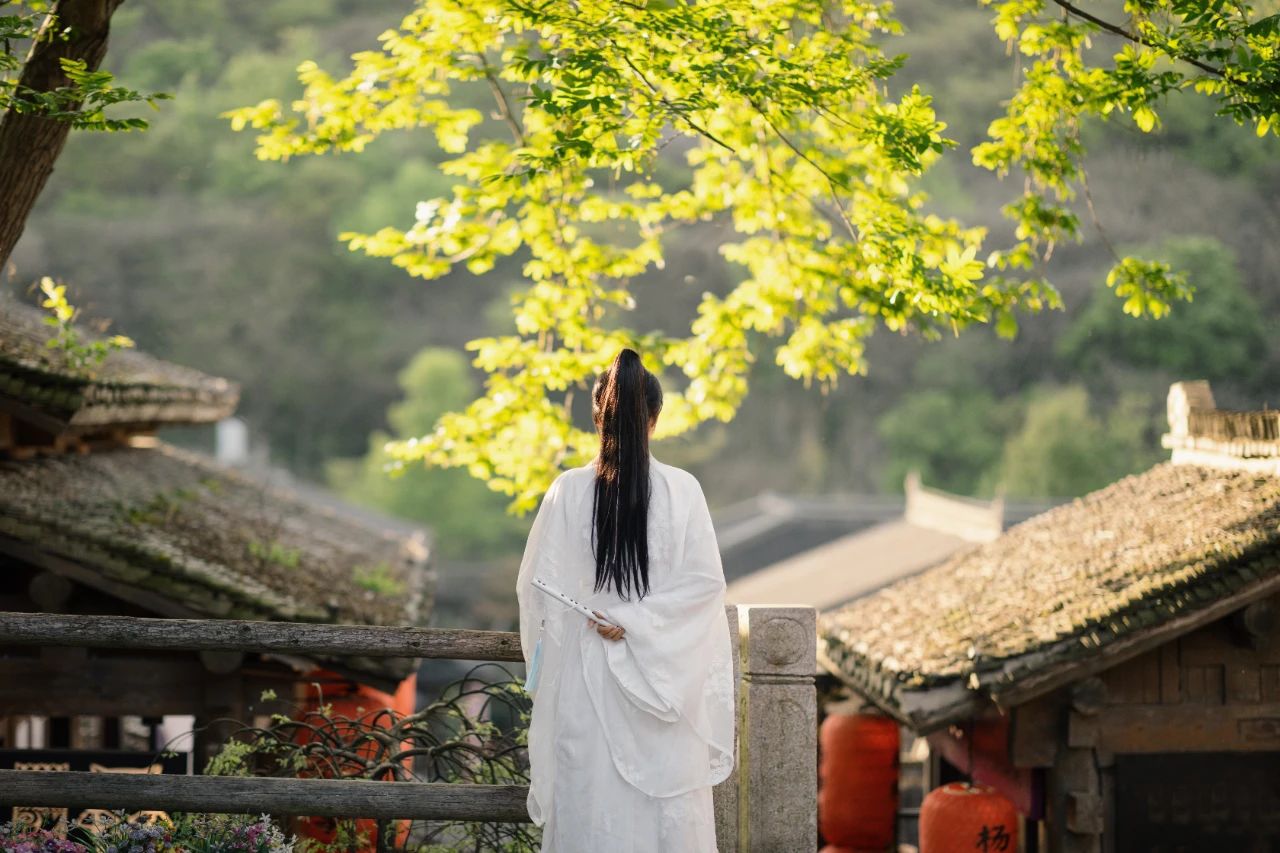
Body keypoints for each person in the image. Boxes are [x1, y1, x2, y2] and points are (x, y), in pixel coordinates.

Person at [516, 348, 736, 852]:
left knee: (591, 811)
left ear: (599, 416)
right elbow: (706, 585)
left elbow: (538, 592)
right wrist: (639, 624)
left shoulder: (567, 490)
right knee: (666, 823)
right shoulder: (683, 489)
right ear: (653, 420)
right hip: (663, 680)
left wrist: (606, 620)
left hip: (586, 684)